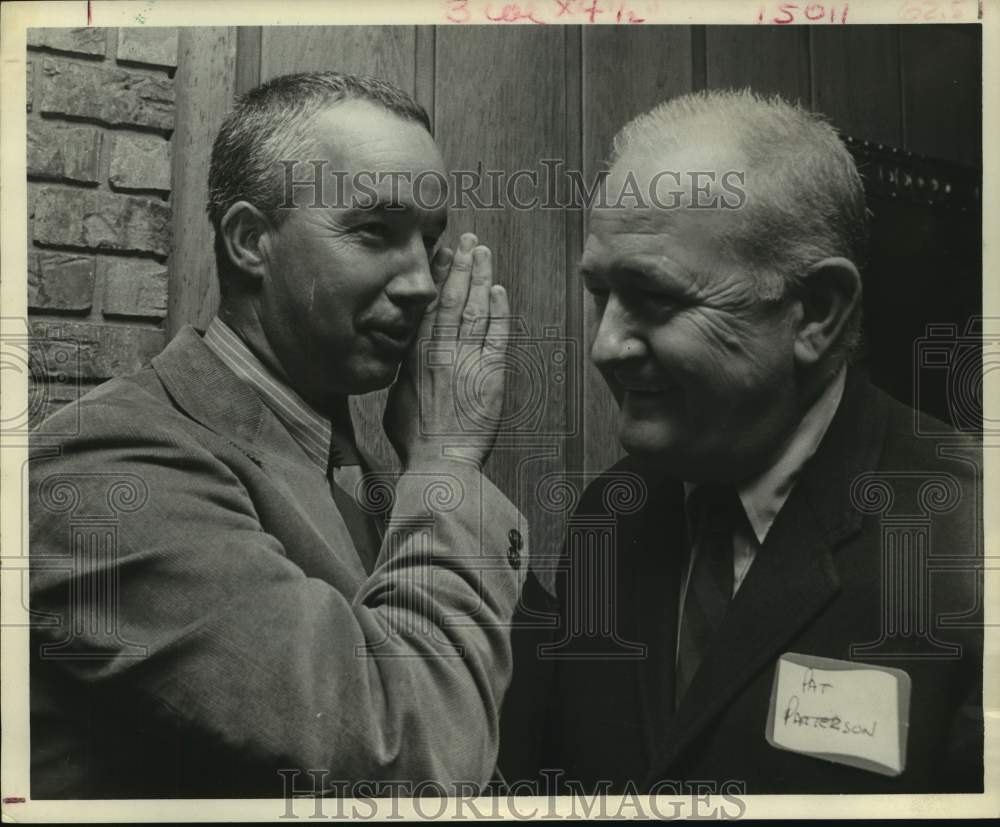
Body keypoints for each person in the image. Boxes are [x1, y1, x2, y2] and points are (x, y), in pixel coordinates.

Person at [29, 72, 528, 798]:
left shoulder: (374, 479)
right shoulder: (100, 468)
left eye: (429, 241)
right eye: (374, 233)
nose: (422, 281)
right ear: (249, 240)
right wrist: (449, 459)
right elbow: (410, 759)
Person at [500, 89, 982, 794]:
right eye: (601, 294)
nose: (605, 346)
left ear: (816, 311)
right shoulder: (612, 515)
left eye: (656, 298)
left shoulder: (970, 540)